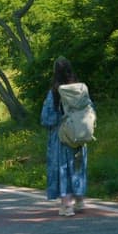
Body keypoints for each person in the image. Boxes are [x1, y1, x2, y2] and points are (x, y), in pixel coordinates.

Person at [41, 56, 88, 217]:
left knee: (63, 169)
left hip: (62, 137)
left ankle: (67, 206)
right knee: (77, 166)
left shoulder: (55, 91)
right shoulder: (80, 88)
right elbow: (90, 108)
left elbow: (47, 118)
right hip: (80, 134)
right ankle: (80, 201)